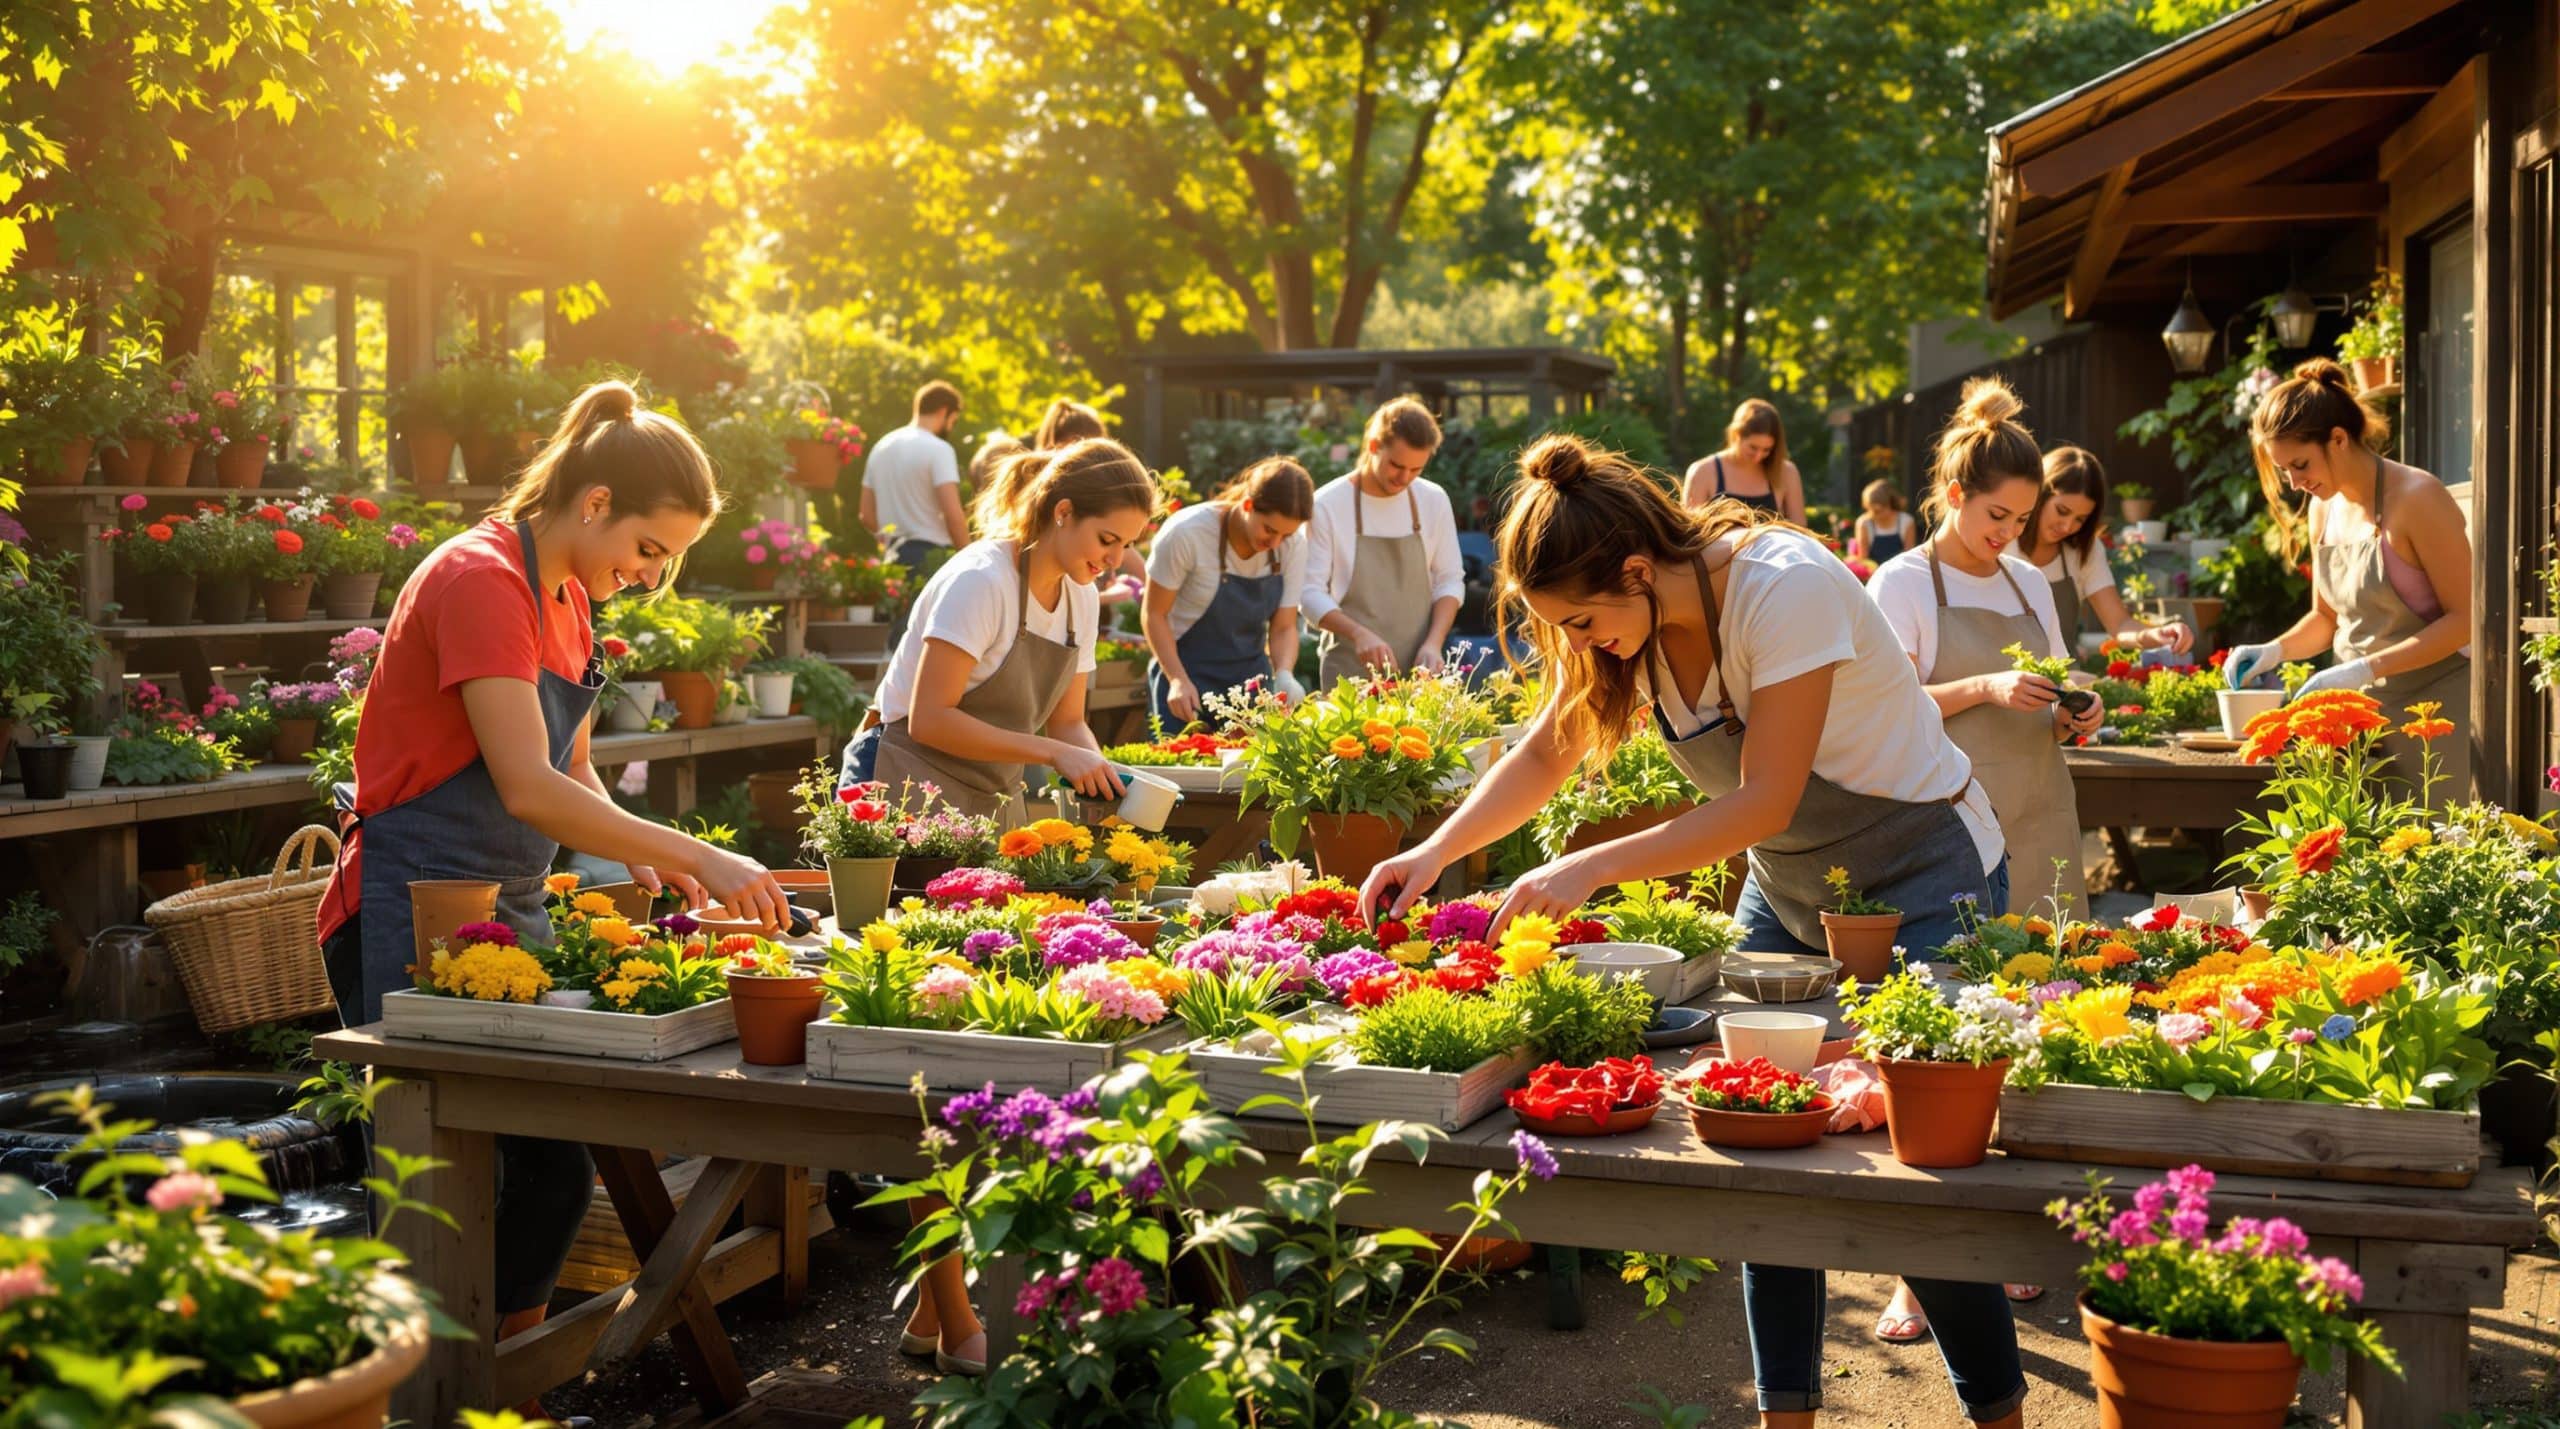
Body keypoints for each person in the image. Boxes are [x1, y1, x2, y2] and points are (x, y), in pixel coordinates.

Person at [1356, 433, 2023, 1429]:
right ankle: (1785, 1418)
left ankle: (1997, 1415)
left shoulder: (1780, 585)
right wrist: (1436, 851)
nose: (1580, 643)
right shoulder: (1626, 626)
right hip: (1795, 890)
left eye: (1583, 619)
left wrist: (1584, 865)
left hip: (1928, 872)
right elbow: (1547, 750)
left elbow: (1764, 798)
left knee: (1917, 1166)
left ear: (1635, 569)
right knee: (1760, 1143)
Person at [314, 380, 787, 1417]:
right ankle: (410, 1398)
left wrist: (638, 861)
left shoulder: (572, 598)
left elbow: (567, 779)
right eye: (651, 546)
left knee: (546, 1174)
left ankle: (498, 1393)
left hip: (507, 902)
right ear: (595, 499)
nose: (653, 572)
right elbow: (523, 784)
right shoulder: (483, 580)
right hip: (409, 903)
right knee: (443, 1186)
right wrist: (699, 853)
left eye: (667, 557)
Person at [1868, 379, 2099, 926]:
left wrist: (2073, 714)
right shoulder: (1901, 583)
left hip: (2040, 816)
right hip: (1948, 829)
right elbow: (1887, 710)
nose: (2010, 533)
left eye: (2022, 520)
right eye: (1997, 516)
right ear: (1955, 495)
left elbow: (2051, 707)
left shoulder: (2029, 582)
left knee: (2055, 984)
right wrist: (1986, 687)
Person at [840, 437, 1158, 822]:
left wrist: (1106, 778)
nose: (1116, 560)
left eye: (1126, 544)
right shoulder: (982, 581)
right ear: (1064, 512)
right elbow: (929, 719)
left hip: (990, 797)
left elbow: (1068, 723)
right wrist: (1053, 753)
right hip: (900, 776)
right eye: (1107, 540)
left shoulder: (1082, 599)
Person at [2225, 359, 2473, 802]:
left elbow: (2466, 621)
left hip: (2435, 716)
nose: (2295, 483)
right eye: (2284, 471)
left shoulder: (2418, 498)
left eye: (2299, 464)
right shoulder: (2324, 507)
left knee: (2429, 852)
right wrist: (2272, 652)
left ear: (2338, 439)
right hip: (2357, 723)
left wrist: (2365, 667)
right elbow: (2324, 619)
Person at [1303, 396, 1464, 686]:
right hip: (1349, 676)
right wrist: (1357, 633)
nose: (1404, 478)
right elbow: (1309, 593)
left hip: (1420, 672)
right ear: (1374, 447)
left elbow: (1450, 579)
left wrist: (1433, 643)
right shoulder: (1327, 505)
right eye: (1396, 465)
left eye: (1416, 470)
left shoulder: (1433, 499)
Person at [1144, 457, 1315, 727]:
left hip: (1250, 683)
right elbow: (1154, 614)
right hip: (1185, 675)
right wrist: (1177, 679)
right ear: (1248, 505)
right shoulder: (1187, 533)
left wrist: (1284, 674)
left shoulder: (1292, 545)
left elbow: (1283, 626)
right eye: (1269, 530)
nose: (1275, 543)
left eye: (1286, 535)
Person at [2018, 446, 2191, 658]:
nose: (2066, 526)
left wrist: (2155, 634)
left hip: (2064, 681)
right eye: (2062, 511)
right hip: (2001, 681)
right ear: (2040, 493)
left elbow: (2120, 624)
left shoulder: (2084, 550)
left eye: (2080, 519)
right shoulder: (2003, 541)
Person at [861, 380, 970, 570]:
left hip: (891, 558)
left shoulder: (881, 447)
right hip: (930, 558)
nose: (951, 427)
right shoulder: (939, 449)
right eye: (953, 420)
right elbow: (953, 515)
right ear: (944, 411)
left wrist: (891, 538)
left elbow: (866, 515)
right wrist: (970, 562)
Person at [1682, 398, 1807, 524]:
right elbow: (1690, 534)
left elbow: (1801, 530)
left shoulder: (1786, 472)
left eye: (1767, 450)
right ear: (1736, 435)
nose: (1758, 456)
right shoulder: (1703, 472)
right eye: (1753, 448)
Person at [1851, 479, 1914, 564]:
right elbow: (1863, 558)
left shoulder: (1906, 521)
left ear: (1891, 504)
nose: (1875, 514)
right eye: (1872, 510)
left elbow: (1909, 556)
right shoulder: (1864, 523)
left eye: (1879, 511)